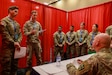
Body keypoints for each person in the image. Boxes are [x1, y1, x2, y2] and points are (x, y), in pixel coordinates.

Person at [0, 6, 22, 75]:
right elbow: (5, 34)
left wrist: (18, 42)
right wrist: (14, 42)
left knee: (14, 67)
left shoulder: (16, 23)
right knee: (6, 68)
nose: (17, 13)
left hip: (15, 48)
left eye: (17, 12)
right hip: (7, 49)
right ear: (10, 11)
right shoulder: (3, 21)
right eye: (15, 11)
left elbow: (20, 34)